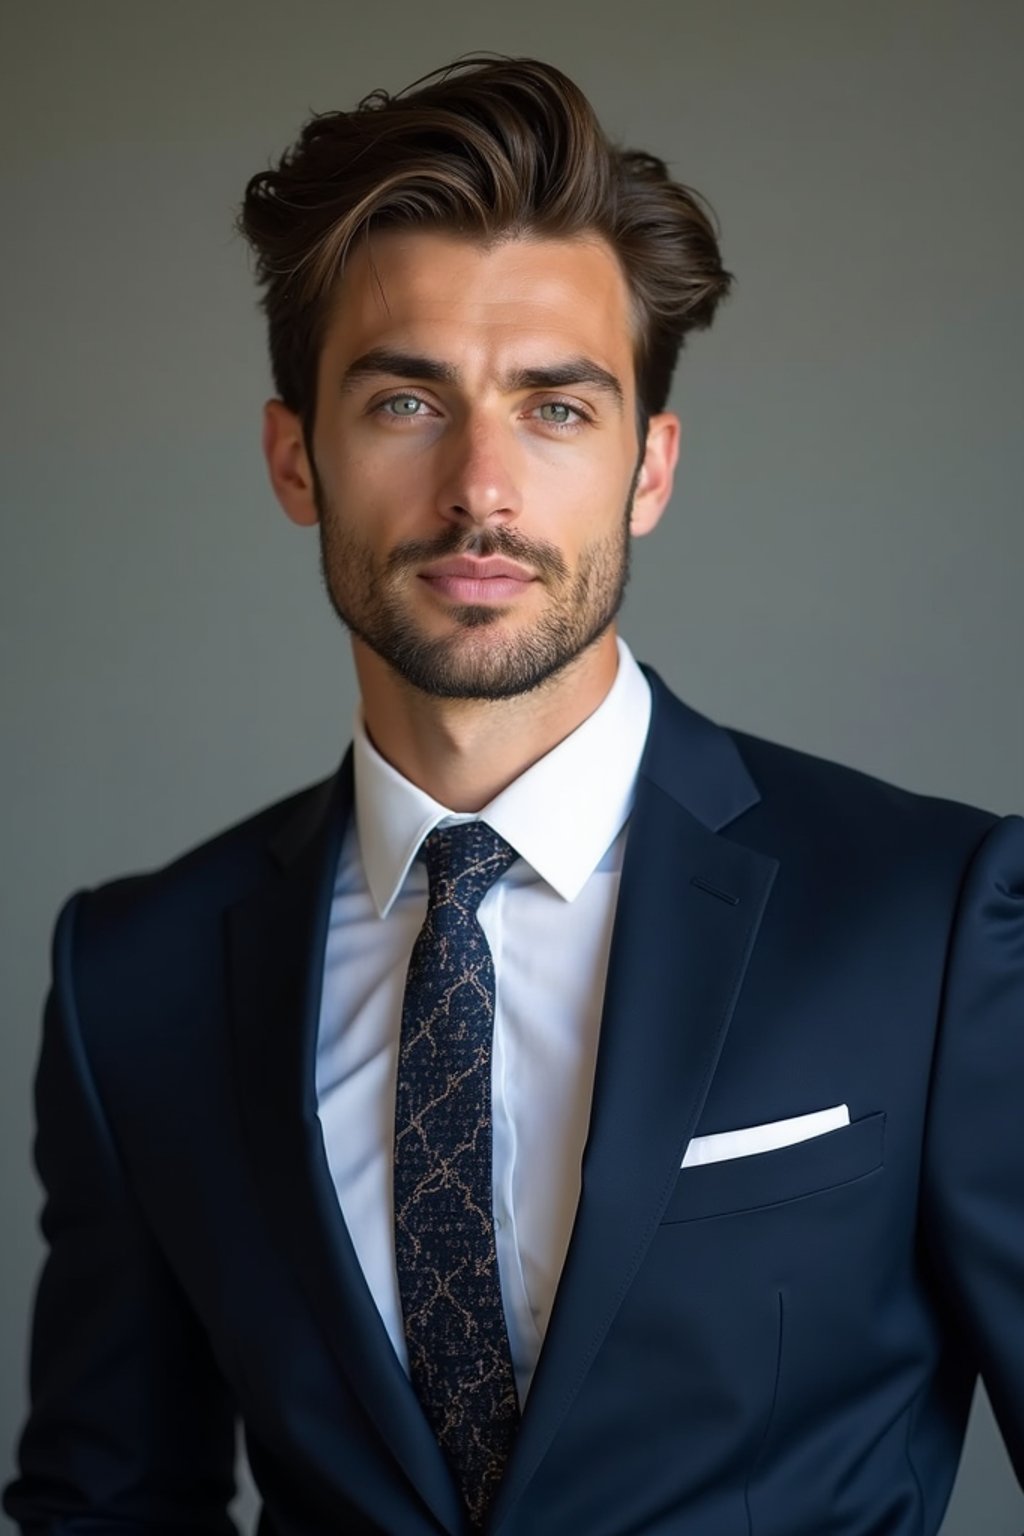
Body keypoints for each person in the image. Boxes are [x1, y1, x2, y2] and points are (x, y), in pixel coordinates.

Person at [5, 53, 1023, 1536]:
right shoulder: (134, 980)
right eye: (407, 400)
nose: (482, 488)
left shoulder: (930, 923)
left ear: (649, 467)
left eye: (556, 411)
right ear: (296, 457)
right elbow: (108, 1501)